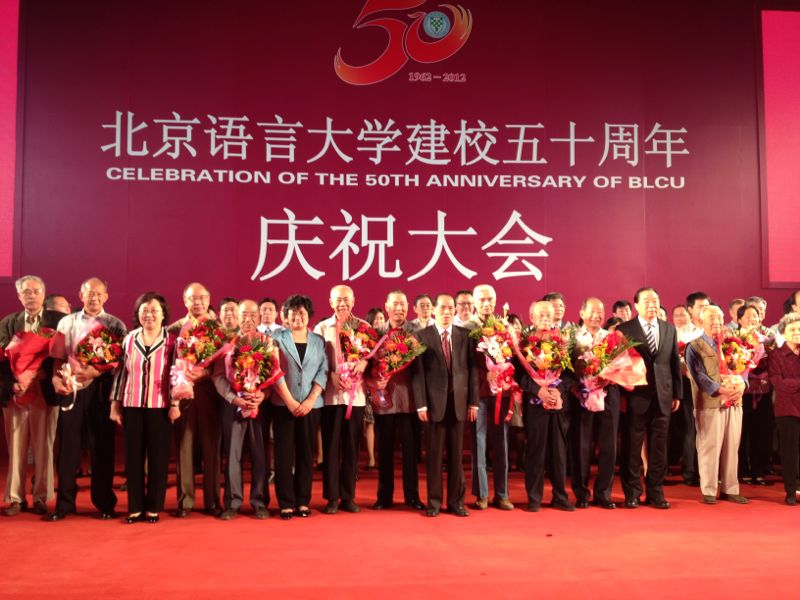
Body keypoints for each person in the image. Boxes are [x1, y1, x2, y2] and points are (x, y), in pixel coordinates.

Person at [47, 277, 127, 521]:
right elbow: (58, 357)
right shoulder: (67, 322)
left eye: (99, 293)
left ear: (106, 296)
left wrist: (96, 371)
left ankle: (104, 503)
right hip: (71, 387)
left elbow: (122, 362)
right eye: (89, 293)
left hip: (101, 391)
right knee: (68, 448)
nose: (94, 297)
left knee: (101, 447)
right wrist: (56, 380)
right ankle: (64, 504)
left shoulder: (115, 325)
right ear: (81, 296)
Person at [0, 275, 65, 516]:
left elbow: (64, 353)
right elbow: (1, 357)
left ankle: (41, 497)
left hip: (44, 390)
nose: (31, 295)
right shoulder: (9, 322)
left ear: (44, 294)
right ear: (19, 296)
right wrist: (14, 382)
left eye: (36, 291)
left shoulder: (58, 321)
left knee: (44, 446)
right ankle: (16, 498)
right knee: (16, 446)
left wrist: (40, 374)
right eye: (26, 292)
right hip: (16, 393)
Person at [110, 292, 176, 523]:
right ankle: (135, 508)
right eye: (144, 310)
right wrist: (115, 405)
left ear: (163, 314)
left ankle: (154, 507)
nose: (149, 315)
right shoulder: (128, 339)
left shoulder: (172, 341)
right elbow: (120, 374)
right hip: (132, 404)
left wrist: (175, 404)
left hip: (160, 406)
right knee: (133, 458)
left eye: (154, 310)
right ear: (138, 314)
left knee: (158, 458)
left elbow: (176, 375)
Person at [411, 293, 479, 517]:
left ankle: (456, 503)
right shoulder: (422, 336)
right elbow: (418, 375)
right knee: (434, 457)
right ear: (433, 310)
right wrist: (421, 404)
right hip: (433, 405)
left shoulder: (465, 335)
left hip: (459, 404)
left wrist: (473, 403)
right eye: (443, 308)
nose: (447, 312)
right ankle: (434, 503)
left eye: (451, 308)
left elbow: (472, 371)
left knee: (457, 457)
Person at [617, 287, 681, 509]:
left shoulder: (669, 329)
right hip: (635, 396)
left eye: (655, 301)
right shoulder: (624, 329)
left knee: (659, 447)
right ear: (636, 305)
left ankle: (656, 492)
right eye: (647, 301)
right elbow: (618, 364)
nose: (652, 305)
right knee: (632, 447)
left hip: (663, 396)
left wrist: (677, 394)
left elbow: (673, 362)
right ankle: (632, 493)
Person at [213, 299, 275, 520]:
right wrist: (233, 399)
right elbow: (218, 376)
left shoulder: (268, 343)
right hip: (233, 407)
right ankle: (232, 502)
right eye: (243, 315)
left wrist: (262, 395)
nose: (248, 319)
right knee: (233, 454)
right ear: (237, 317)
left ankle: (260, 501)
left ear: (259, 318)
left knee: (260, 454)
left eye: (252, 315)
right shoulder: (227, 343)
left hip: (259, 406)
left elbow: (275, 376)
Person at [168, 283, 224, 517]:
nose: (198, 302)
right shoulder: (174, 329)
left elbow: (225, 364)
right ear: (185, 301)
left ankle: (213, 501)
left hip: (210, 392)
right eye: (193, 298)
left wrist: (206, 372)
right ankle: (185, 501)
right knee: (185, 446)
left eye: (202, 298)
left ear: (209, 299)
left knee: (212, 447)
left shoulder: (219, 329)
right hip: (183, 392)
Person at [270, 295, 327, 519]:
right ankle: (286, 502)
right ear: (286, 316)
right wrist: (289, 401)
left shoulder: (318, 341)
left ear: (309, 316)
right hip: (283, 404)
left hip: (311, 406)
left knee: (305, 454)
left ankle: (303, 501)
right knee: (283, 455)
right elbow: (272, 370)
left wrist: (311, 399)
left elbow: (323, 371)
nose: (297, 317)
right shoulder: (276, 338)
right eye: (293, 313)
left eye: (302, 313)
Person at [314, 284, 369, 514]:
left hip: (356, 397)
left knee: (352, 448)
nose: (342, 304)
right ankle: (332, 497)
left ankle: (348, 496)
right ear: (330, 302)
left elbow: (373, 357)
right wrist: (330, 374)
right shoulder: (321, 328)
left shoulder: (364, 327)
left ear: (354, 301)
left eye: (346, 299)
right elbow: (315, 359)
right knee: (331, 447)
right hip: (331, 396)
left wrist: (364, 362)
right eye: (338, 300)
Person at [685, 305, 748, 504]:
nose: (717, 322)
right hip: (710, 403)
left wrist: (743, 385)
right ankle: (709, 490)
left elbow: (744, 368)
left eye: (720, 318)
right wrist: (721, 390)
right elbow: (698, 376)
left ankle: (730, 488)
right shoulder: (694, 346)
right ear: (700, 322)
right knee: (709, 447)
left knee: (732, 447)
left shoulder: (732, 343)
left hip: (735, 402)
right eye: (712, 319)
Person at [368, 291, 425, 511]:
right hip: (384, 402)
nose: (399, 309)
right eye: (395, 304)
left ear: (408, 307)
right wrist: (375, 381)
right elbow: (366, 365)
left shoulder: (417, 333)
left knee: (411, 452)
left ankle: (412, 496)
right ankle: (384, 497)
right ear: (386, 307)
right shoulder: (376, 333)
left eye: (402, 304)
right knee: (384, 452)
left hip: (410, 401)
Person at [516, 301, 574, 512]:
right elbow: (519, 374)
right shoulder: (523, 343)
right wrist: (537, 390)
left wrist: (559, 390)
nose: (545, 318)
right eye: (541, 314)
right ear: (532, 317)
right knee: (536, 451)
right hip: (535, 404)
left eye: (549, 314)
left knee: (559, 452)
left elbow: (570, 374)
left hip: (558, 403)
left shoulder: (564, 341)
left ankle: (560, 496)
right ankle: (534, 497)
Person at [569, 298, 619, 509]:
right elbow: (564, 367)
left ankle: (604, 493)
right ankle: (581, 493)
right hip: (581, 395)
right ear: (582, 313)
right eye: (592, 311)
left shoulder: (611, 337)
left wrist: (609, 378)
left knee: (608, 446)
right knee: (581, 446)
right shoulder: (572, 337)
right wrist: (576, 383)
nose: (597, 315)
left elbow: (622, 365)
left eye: (600, 312)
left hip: (607, 394)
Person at [471, 284, 514, 510]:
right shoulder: (468, 328)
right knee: (478, 443)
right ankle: (482, 494)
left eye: (490, 299)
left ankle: (502, 494)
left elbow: (513, 359)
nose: (486, 303)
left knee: (502, 442)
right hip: (478, 393)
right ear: (474, 302)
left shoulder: (504, 327)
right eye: (482, 299)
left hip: (501, 394)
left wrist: (504, 374)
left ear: (496, 302)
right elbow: (464, 365)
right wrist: (483, 375)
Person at [737, 303, 773, 486]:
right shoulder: (734, 340)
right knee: (742, 433)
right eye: (748, 316)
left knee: (760, 431)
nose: (752, 319)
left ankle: (758, 470)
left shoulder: (768, 340)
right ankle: (743, 469)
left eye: (755, 316)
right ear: (739, 319)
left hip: (762, 392)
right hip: (741, 392)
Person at [769, 312, 800, 505]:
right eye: (792, 329)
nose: (797, 332)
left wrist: (792, 383)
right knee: (789, 453)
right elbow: (778, 382)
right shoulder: (776, 355)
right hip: (787, 409)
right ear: (783, 332)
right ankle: (790, 491)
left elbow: (787, 382)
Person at [362, 307, 387, 471]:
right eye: (376, 319)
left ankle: (383, 457)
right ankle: (371, 458)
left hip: (384, 389)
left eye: (381, 318)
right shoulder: (364, 340)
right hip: (367, 388)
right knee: (369, 423)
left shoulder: (389, 339)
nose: (379, 321)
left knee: (383, 424)